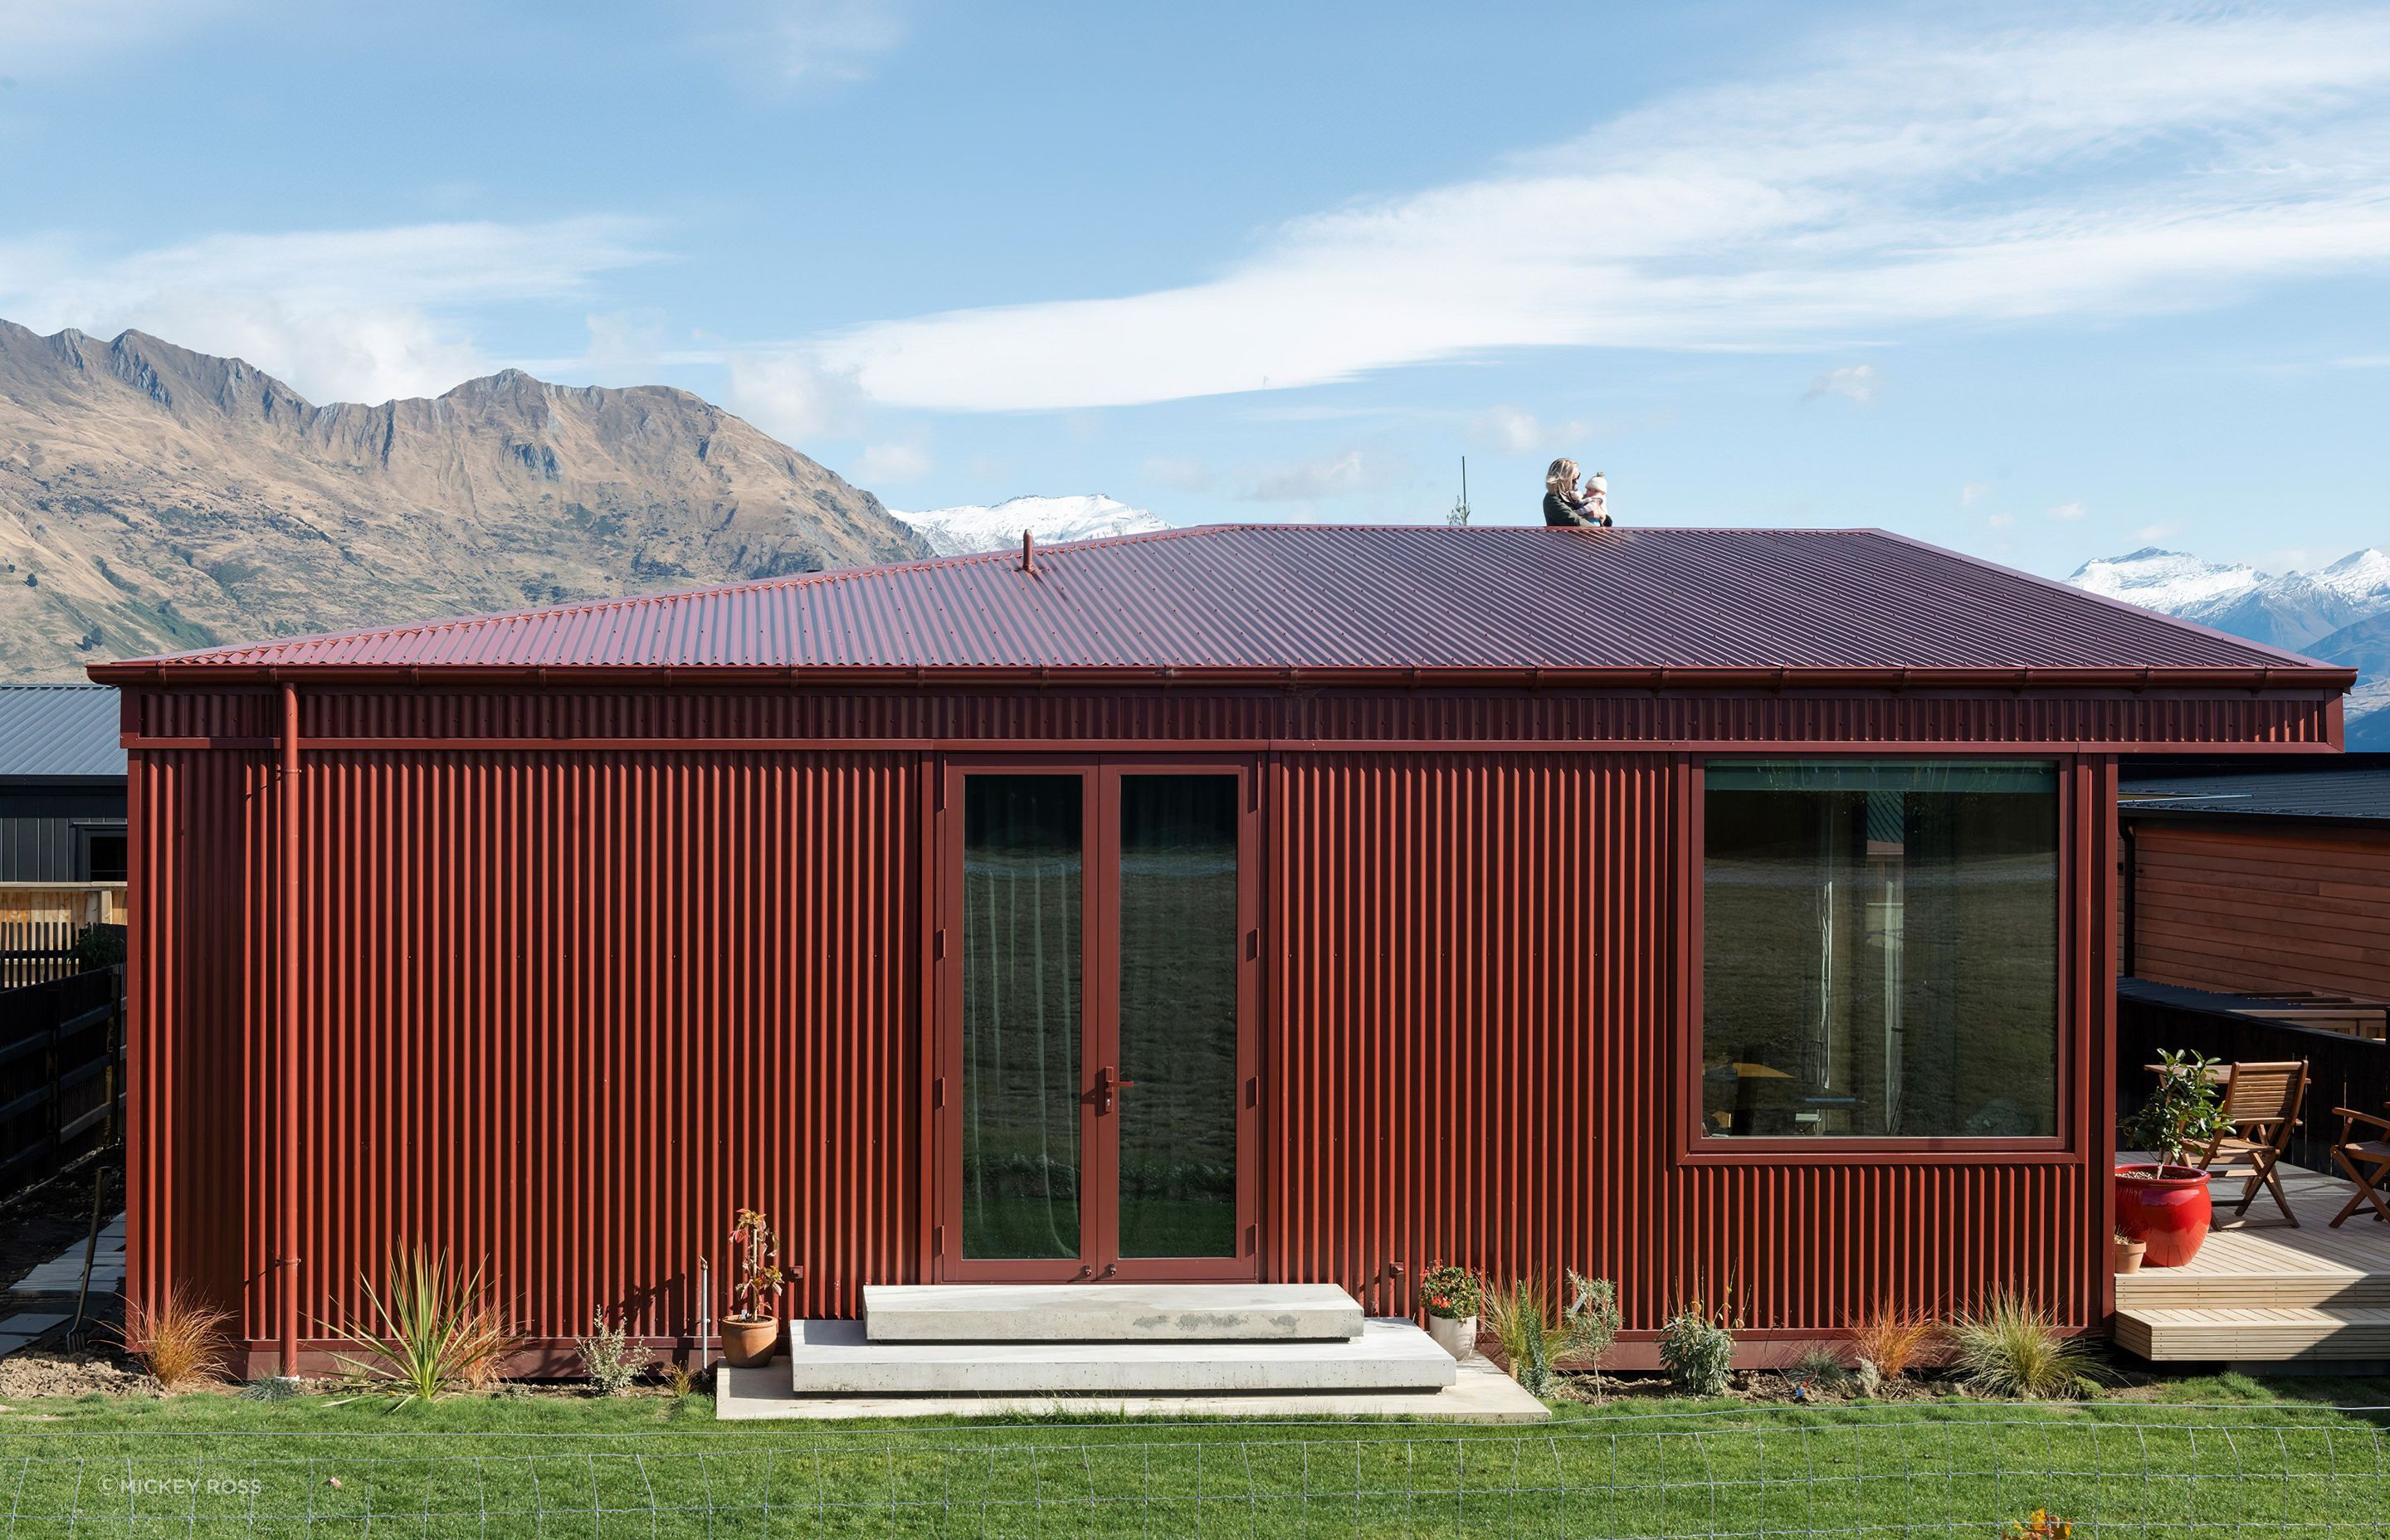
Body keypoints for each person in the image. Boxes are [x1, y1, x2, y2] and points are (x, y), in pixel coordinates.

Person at [1542, 459, 1612, 527]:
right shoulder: (1552, 499)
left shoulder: (1573, 496)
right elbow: (1576, 522)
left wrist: (1603, 517)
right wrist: (1600, 530)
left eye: (1578, 477)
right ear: (1564, 479)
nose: (1577, 482)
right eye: (1573, 479)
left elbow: (1604, 519)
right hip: (1564, 539)